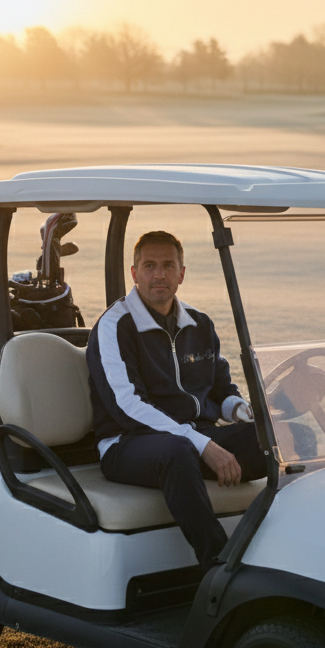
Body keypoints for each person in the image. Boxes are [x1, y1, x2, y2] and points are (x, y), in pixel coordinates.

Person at [86, 230, 266, 569]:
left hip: (192, 440)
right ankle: (219, 564)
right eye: (149, 265)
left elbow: (220, 390)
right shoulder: (115, 326)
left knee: (281, 438)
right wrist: (203, 445)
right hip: (129, 444)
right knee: (179, 451)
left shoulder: (199, 323)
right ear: (134, 273)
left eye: (168, 265)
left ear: (181, 273)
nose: (159, 274)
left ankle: (281, 549)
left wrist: (244, 412)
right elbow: (127, 407)